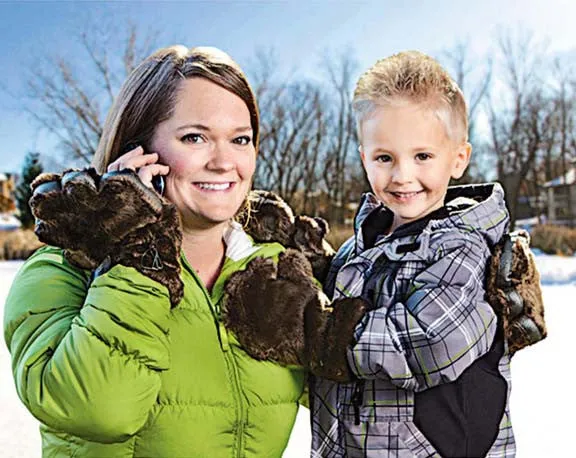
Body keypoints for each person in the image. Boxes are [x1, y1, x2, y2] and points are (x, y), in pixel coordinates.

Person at [3, 45, 307, 457]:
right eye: (195, 137)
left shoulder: (270, 271)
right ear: (137, 152)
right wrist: (136, 247)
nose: (224, 162)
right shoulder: (63, 269)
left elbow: (363, 395)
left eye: (240, 139)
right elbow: (100, 409)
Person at [308, 50, 515, 457]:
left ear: (458, 158)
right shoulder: (358, 247)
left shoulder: (460, 245)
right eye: (385, 158)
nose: (402, 176)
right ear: (365, 157)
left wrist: (319, 333)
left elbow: (429, 342)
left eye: (422, 156)